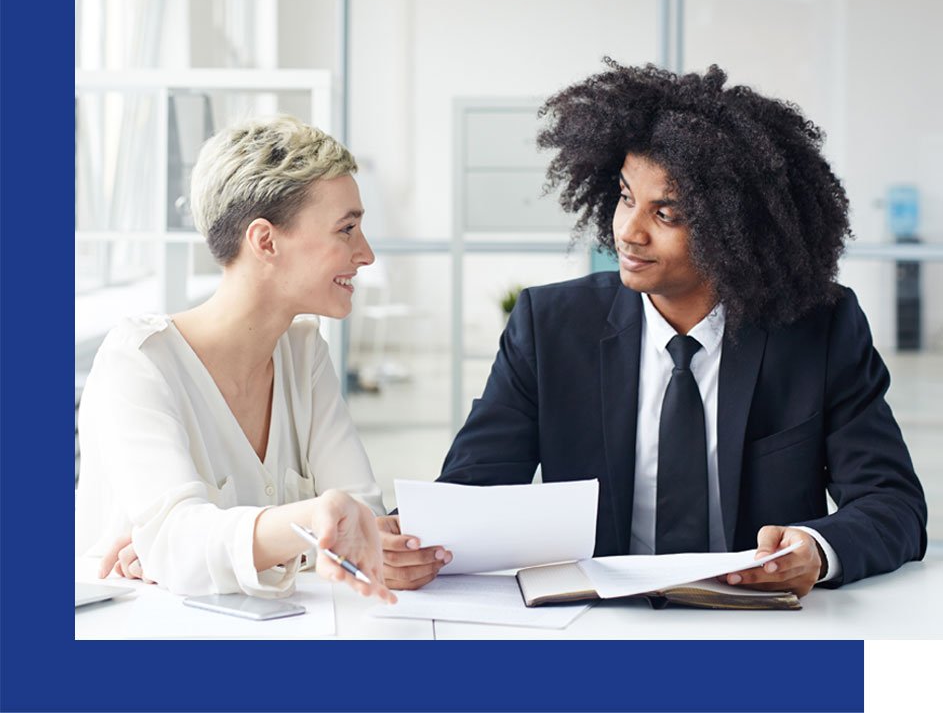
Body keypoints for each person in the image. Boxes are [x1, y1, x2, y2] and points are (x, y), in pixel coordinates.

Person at [388, 61, 927, 596]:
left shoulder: (819, 330)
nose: (628, 232)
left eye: (665, 214)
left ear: (736, 230)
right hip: (596, 625)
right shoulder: (549, 327)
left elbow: (893, 504)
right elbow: (469, 494)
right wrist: (404, 541)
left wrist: (816, 547)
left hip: (759, 626)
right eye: (625, 198)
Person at [76, 115, 400, 602]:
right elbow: (179, 543)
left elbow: (362, 527)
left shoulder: (305, 353)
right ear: (265, 241)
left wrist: (205, 553)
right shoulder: (139, 361)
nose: (367, 253)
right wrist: (310, 524)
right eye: (347, 229)